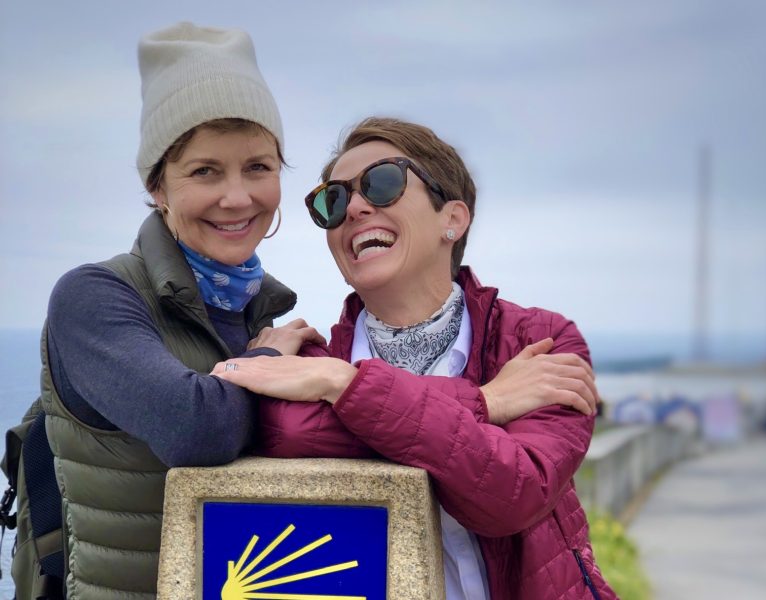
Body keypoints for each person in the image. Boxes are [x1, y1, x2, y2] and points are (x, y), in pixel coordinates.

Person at [214, 117, 617, 599]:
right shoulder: (313, 359)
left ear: (453, 219)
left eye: (382, 183)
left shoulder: (539, 342)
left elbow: (511, 494)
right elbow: (292, 431)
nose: (356, 209)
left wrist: (345, 388)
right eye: (333, 201)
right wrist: (485, 402)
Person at [26, 22, 322, 600]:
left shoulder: (260, 307)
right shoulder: (94, 297)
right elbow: (198, 430)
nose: (238, 197)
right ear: (158, 185)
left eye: (258, 167)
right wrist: (264, 358)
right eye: (205, 171)